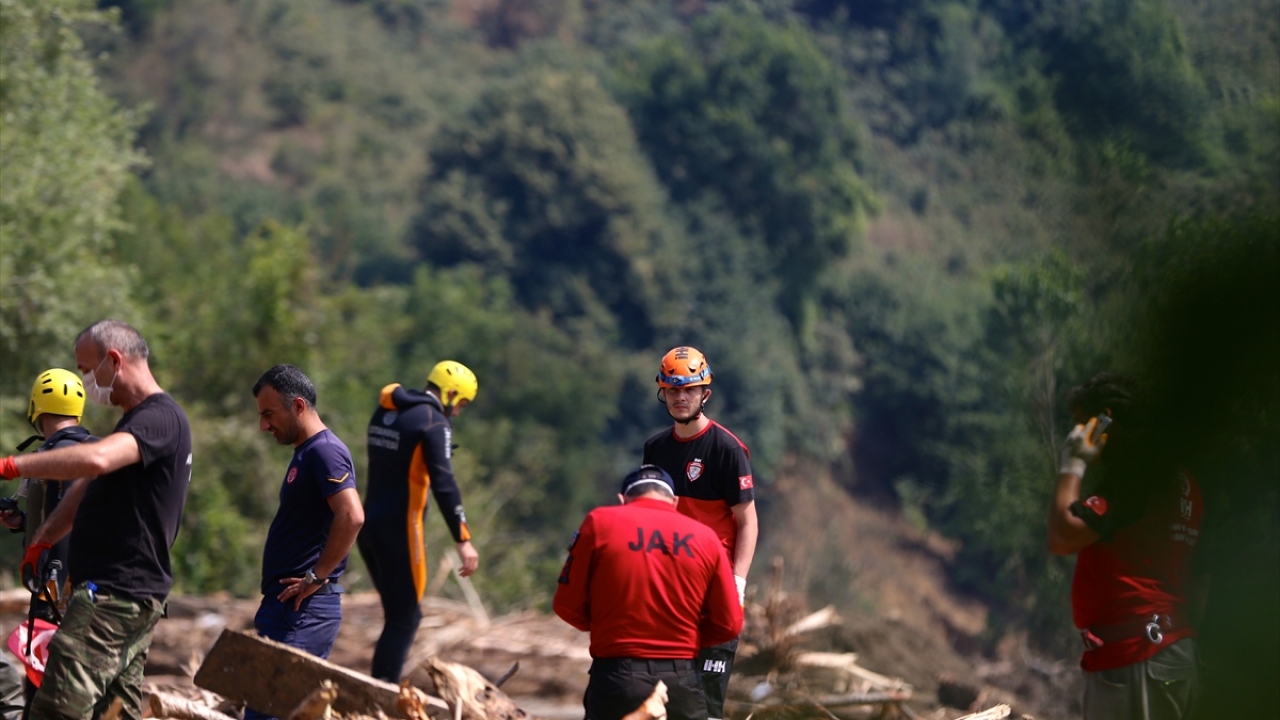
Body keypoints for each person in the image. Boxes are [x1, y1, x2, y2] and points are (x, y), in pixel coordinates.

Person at [0, 320, 193, 720]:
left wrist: (12, 464)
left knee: (54, 712)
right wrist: (43, 538)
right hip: (125, 596)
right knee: (115, 714)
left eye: (86, 370)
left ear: (115, 360)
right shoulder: (137, 422)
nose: (85, 381)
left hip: (112, 597)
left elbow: (96, 459)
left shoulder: (159, 418)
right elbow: (90, 482)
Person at [1047, 373, 1203, 720]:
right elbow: (1199, 581)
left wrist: (1073, 462)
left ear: (1105, 419)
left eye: (1081, 426)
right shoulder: (1184, 481)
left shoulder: (1138, 473)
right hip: (1168, 650)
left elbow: (1062, 535)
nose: (1077, 435)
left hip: (1138, 656)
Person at [554, 465, 743, 720]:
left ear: (623, 500)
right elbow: (730, 624)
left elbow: (566, 605)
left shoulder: (600, 523)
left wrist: (608, 629)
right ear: (674, 501)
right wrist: (688, 639)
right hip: (681, 680)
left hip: (617, 676)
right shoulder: (706, 537)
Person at [641, 346, 756, 718]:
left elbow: (748, 521)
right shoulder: (655, 449)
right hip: (669, 592)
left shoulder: (728, 449)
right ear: (663, 393)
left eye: (689, 389)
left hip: (715, 590)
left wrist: (737, 583)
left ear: (705, 393)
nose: (680, 397)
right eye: (673, 390)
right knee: (662, 702)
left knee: (706, 705)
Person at [248, 365, 364, 720]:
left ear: (298, 405)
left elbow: (352, 516)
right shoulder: (306, 452)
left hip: (303, 611)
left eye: (269, 414)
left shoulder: (325, 451)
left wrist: (317, 575)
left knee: (273, 712)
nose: (264, 426)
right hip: (285, 608)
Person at [357, 360, 480, 682]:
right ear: (451, 393)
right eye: (461, 404)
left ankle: (377, 692)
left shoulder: (386, 410)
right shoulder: (433, 422)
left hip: (367, 528)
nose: (457, 412)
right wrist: (463, 539)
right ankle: (381, 699)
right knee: (405, 619)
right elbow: (444, 483)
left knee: (397, 617)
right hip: (401, 530)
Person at [1, 369, 97, 712]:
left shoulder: (50, 457)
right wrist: (23, 521)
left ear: (36, 407)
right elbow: (76, 519)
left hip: (54, 593)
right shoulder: (100, 451)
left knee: (43, 694)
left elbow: (61, 526)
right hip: (97, 593)